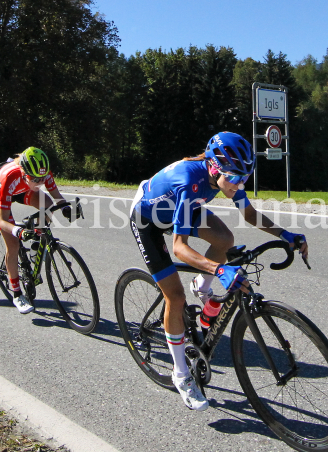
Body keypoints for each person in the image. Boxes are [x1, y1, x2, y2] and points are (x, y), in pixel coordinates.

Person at [129, 131, 308, 411]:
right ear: (214, 167)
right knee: (174, 298)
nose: (240, 184)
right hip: (148, 220)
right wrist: (220, 269)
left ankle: (201, 285)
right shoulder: (191, 182)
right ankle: (180, 375)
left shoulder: (225, 175)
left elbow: (248, 214)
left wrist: (285, 234)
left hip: (182, 207)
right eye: (236, 178)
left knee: (225, 239)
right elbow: (179, 248)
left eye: (245, 178)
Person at [0, 147, 80, 314]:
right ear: (24, 172)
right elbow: (2, 220)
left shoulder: (40, 174)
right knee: (13, 245)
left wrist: (66, 208)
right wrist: (18, 231)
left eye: (43, 178)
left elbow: (56, 196)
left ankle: (37, 242)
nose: (41, 182)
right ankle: (17, 294)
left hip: (22, 188)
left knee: (47, 203)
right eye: (36, 179)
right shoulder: (11, 177)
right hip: (0, 190)